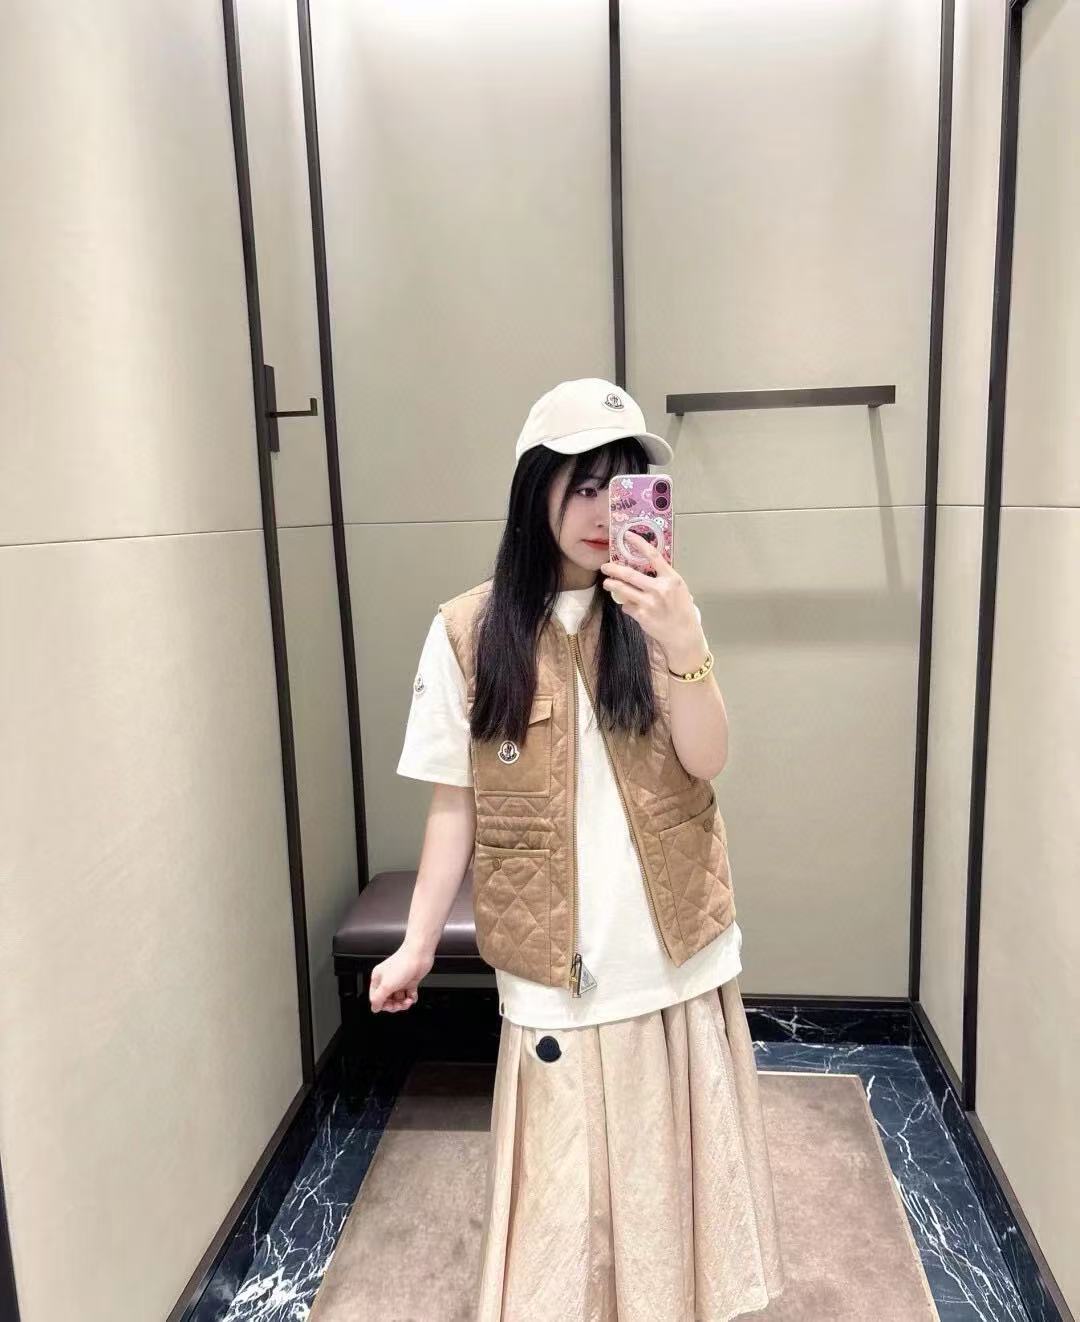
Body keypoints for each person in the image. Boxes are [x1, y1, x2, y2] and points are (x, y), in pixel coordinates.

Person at [372, 377, 785, 1320]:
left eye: (624, 486)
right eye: (584, 486)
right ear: (537, 490)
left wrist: (684, 641)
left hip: (673, 951)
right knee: (564, 1227)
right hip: (552, 967)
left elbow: (708, 759)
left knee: (673, 1205)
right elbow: (454, 805)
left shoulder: (659, 611)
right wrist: (419, 944)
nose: (606, 513)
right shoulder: (468, 633)